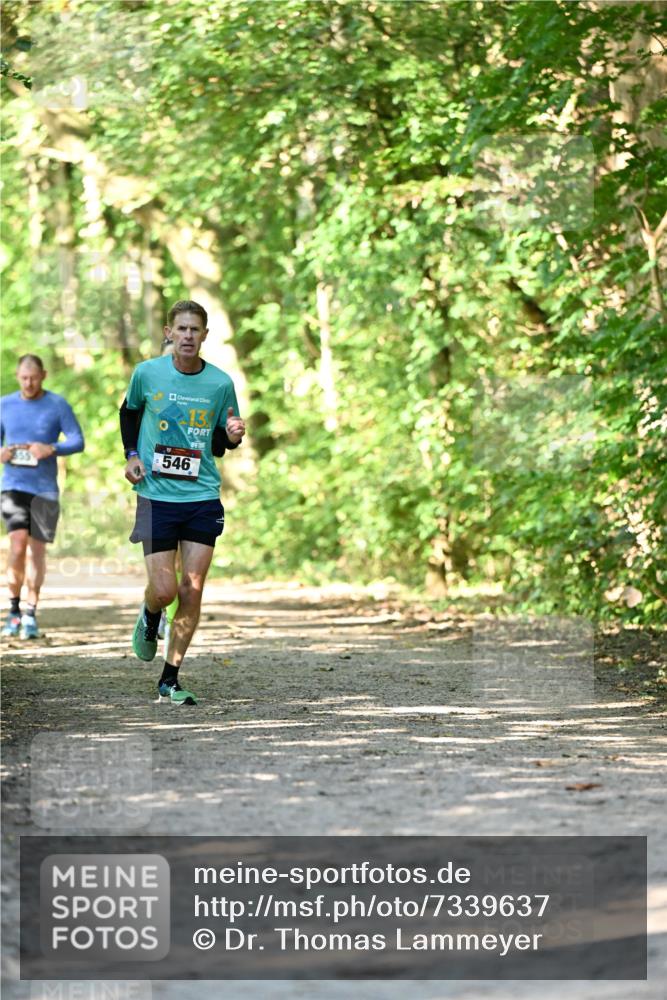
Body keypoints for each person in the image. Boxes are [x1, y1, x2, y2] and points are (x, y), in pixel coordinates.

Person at [120, 300, 245, 705]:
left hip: (201, 497)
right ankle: (150, 611)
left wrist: (232, 435)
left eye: (195, 330)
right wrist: (131, 456)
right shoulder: (147, 373)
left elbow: (219, 443)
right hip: (156, 496)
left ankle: (170, 678)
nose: (188, 336)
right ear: (169, 332)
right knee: (165, 589)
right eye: (182, 329)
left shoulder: (220, 383)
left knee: (192, 588)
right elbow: (129, 413)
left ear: (205, 335)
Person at [1, 354, 85, 638]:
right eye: (24, 378)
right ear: (17, 376)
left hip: (45, 489)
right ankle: (13, 610)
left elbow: (77, 440)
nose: (28, 383)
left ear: (44, 376)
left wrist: (51, 448)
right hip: (13, 485)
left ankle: (30, 613)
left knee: (36, 551)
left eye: (34, 378)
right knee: (17, 544)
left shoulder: (57, 404)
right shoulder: (4, 404)